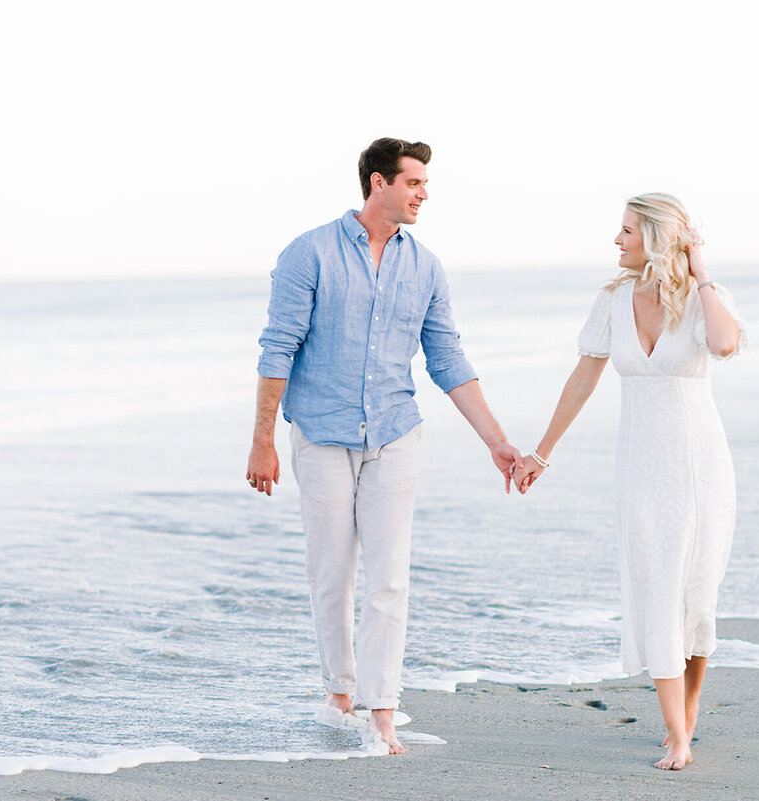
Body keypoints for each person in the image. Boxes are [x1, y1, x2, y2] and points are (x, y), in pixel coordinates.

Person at [245, 138, 523, 755]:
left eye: (425, 184)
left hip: (394, 432)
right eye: (414, 182)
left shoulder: (424, 266)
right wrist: (262, 441)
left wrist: (497, 443)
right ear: (379, 183)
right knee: (332, 574)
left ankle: (381, 713)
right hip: (319, 432)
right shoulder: (309, 253)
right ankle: (339, 695)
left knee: (388, 578)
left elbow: (447, 359)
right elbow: (277, 350)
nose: (424, 194)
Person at [512, 193, 747, 771]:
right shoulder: (613, 300)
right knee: (655, 588)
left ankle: (686, 718)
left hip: (700, 467)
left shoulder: (701, 298)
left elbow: (724, 344)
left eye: (626, 232)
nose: (616, 242)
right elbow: (581, 380)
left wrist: (702, 271)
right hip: (641, 467)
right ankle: (676, 733)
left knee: (697, 595)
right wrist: (541, 453)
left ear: (658, 239)